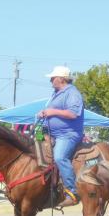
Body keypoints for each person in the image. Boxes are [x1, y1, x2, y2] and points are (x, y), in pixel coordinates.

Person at [38, 66, 84, 208]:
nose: (51, 80)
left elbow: (72, 114)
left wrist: (52, 111)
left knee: (59, 157)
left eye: (53, 77)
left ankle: (72, 192)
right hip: (52, 133)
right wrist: (44, 113)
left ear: (61, 79)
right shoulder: (56, 93)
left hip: (68, 134)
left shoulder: (72, 93)